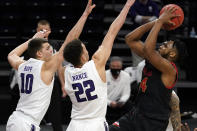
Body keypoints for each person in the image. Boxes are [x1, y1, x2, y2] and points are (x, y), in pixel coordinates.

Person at [6, 0, 95, 130]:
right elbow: (70, 40)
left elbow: (11, 55)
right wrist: (85, 15)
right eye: (47, 49)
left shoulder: (23, 65)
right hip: (26, 124)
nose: (51, 50)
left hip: (16, 119)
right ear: (39, 53)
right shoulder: (44, 68)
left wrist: (33, 39)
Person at [61, 0, 135, 130]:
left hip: (74, 125)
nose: (87, 50)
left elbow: (68, 44)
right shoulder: (96, 64)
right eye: (84, 48)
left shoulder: (66, 71)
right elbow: (112, 32)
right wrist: (127, 6)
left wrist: (85, 15)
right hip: (95, 125)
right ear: (82, 55)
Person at [110, 6, 185, 131]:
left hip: (153, 122)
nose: (162, 44)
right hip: (136, 115)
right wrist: (156, 22)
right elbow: (130, 39)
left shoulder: (170, 69)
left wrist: (160, 21)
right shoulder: (153, 58)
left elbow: (148, 49)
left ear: (172, 54)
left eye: (166, 45)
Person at [36, 19, 64, 131]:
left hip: (52, 80)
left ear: (50, 30)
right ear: (37, 30)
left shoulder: (54, 44)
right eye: (41, 30)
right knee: (36, 109)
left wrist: (63, 84)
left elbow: (59, 66)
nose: (44, 32)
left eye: (46, 30)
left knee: (56, 110)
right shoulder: (32, 44)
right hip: (38, 81)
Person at [106, 56, 131, 124]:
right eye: (113, 66)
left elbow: (126, 93)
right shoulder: (104, 75)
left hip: (120, 103)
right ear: (110, 66)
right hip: (106, 103)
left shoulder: (126, 76)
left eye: (118, 66)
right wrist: (109, 103)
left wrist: (122, 101)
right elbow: (101, 95)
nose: (116, 68)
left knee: (130, 105)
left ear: (121, 66)